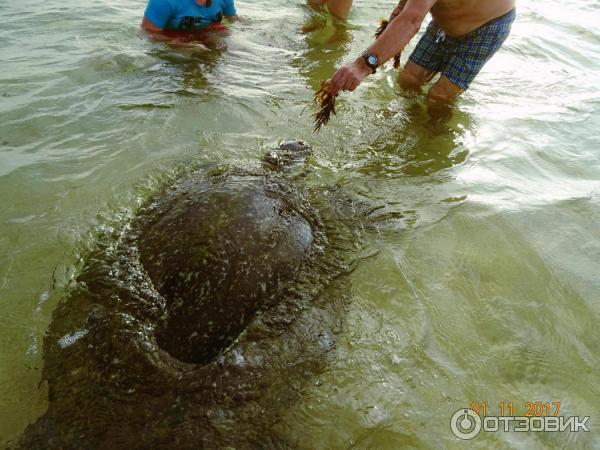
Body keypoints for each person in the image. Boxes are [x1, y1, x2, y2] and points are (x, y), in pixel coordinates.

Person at [328, 0, 516, 114]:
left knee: (439, 97)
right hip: (445, 22)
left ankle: (433, 143)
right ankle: (408, 123)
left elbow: (412, 20)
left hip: (486, 26)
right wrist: (400, 9)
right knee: (408, 79)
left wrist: (361, 67)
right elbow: (408, 12)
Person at [141, 0, 238, 44]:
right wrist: (172, 41)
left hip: (209, 34)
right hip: (176, 40)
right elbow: (146, 32)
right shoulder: (164, 1)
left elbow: (233, 19)